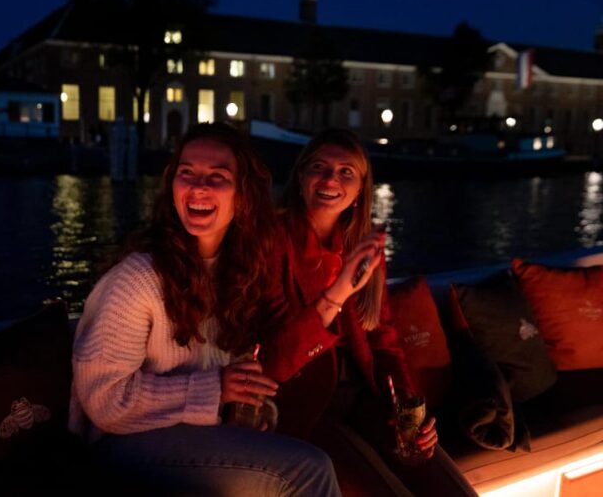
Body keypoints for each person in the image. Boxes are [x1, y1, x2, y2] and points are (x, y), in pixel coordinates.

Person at [69, 122, 341, 496]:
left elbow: (237, 370)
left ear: (242, 196)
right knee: (308, 470)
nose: (199, 186)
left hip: (196, 436)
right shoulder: (138, 279)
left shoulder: (239, 275)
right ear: (172, 186)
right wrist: (216, 388)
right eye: (187, 173)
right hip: (122, 444)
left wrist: (251, 409)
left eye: (217, 176)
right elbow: (104, 400)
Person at [261, 129, 477, 496]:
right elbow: (273, 360)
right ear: (300, 176)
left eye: (346, 172)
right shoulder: (270, 240)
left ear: (361, 188)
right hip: (303, 403)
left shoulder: (363, 247)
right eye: (319, 167)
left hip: (365, 396)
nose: (331, 179)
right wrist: (337, 292)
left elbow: (383, 338)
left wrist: (409, 409)